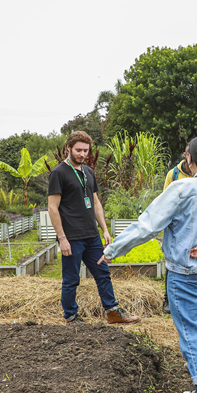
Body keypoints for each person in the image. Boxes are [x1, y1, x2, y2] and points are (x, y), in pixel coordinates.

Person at [99, 136, 197, 393]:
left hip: (185, 272)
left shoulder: (182, 188)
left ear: (190, 158)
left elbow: (148, 225)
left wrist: (113, 249)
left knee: (191, 329)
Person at [47, 131, 140, 325]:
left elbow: (96, 202)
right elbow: (52, 208)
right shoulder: (59, 173)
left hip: (92, 236)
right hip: (72, 237)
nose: (82, 154)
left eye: (86, 151)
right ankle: (71, 316)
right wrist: (62, 238)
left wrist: (105, 229)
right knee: (72, 279)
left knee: (102, 273)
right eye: (78, 150)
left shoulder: (88, 172)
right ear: (69, 149)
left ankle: (113, 312)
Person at [161, 144, 194, 314]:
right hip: (177, 224)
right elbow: (166, 199)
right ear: (185, 154)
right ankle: (168, 300)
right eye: (190, 154)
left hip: (195, 225)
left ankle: (187, 300)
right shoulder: (173, 174)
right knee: (172, 262)